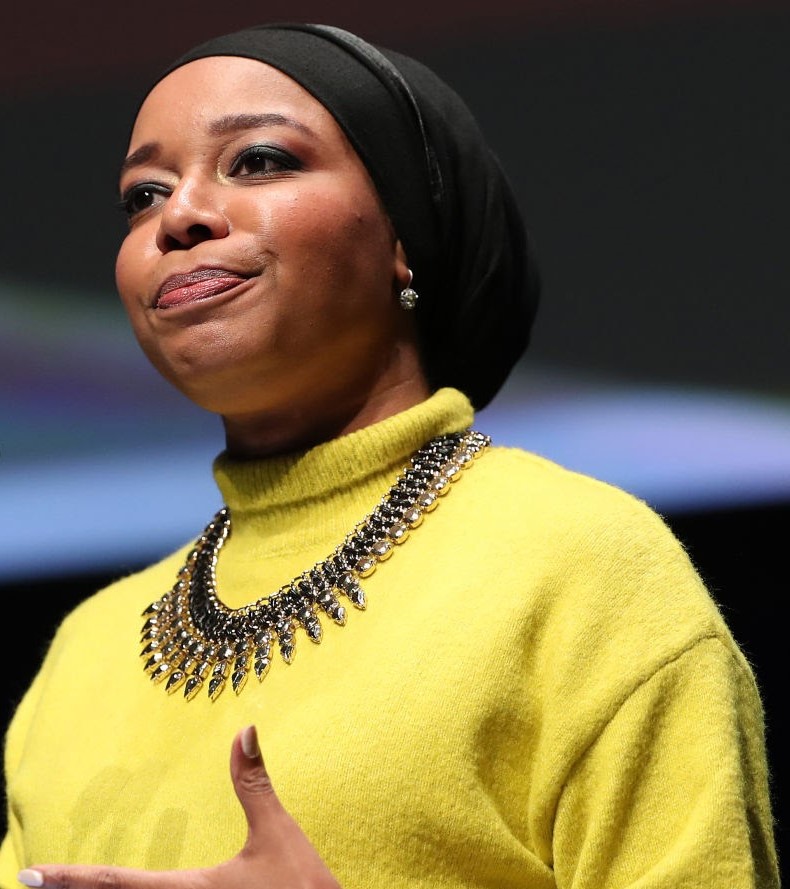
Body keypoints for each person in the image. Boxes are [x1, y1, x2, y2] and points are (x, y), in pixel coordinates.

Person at [0, 21, 779, 889]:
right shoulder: (86, 653)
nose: (178, 216)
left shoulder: (580, 568)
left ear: (405, 233)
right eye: (142, 195)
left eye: (258, 160)